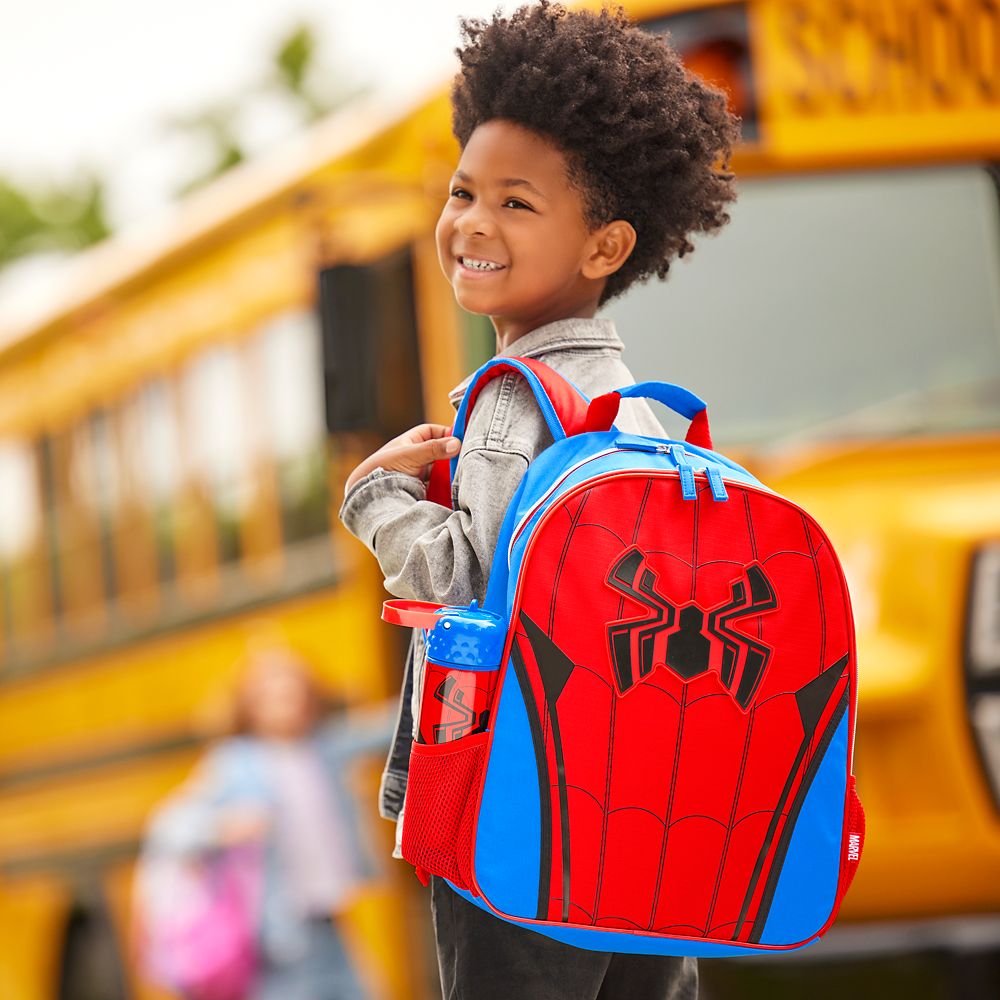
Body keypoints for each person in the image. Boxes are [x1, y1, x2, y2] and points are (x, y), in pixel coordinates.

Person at [338, 2, 740, 997]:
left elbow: (471, 591)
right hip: (647, 804)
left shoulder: (514, 402)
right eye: (463, 190)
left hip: (515, 801)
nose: (471, 222)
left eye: (516, 205)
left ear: (604, 247)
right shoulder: (650, 414)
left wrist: (375, 495)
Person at [138, 643, 394, 1000]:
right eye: (272, 698)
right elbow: (169, 827)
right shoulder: (237, 763)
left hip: (328, 916)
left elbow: (390, 728)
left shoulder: (324, 749)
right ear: (250, 707)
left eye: (294, 694)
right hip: (276, 932)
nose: (286, 705)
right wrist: (220, 828)